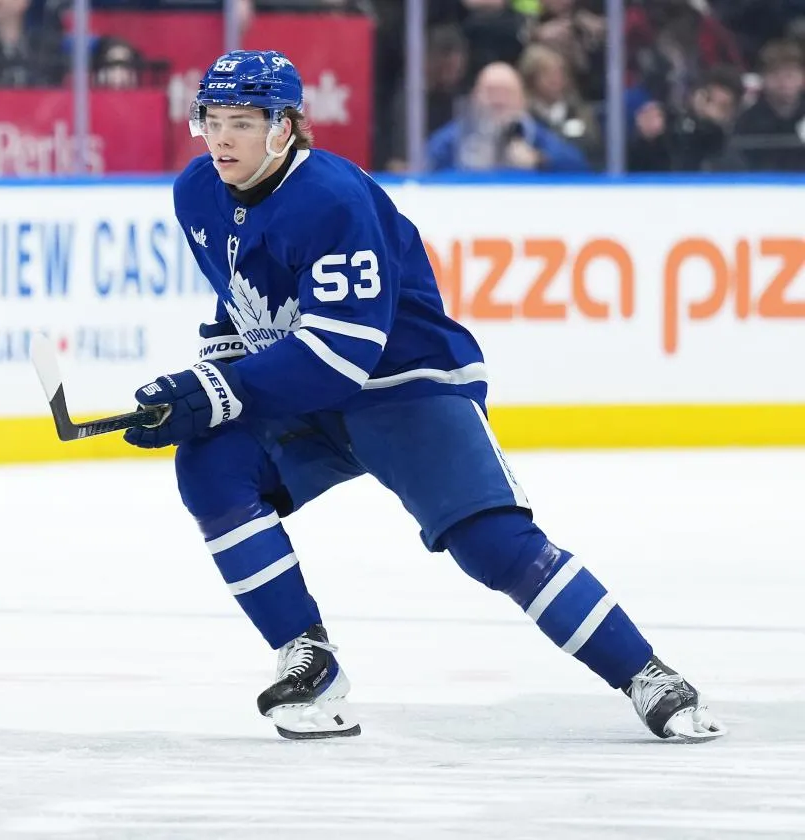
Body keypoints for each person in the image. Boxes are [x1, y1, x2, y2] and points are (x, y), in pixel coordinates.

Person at [121, 49, 727, 743]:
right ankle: (308, 660)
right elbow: (245, 309)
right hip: (309, 385)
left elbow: (343, 352)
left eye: (242, 122)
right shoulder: (197, 190)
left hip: (407, 383)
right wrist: (199, 393)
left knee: (493, 545)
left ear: (285, 128)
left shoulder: (331, 198)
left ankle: (646, 673)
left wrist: (217, 390)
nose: (221, 138)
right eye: (211, 120)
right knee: (209, 463)